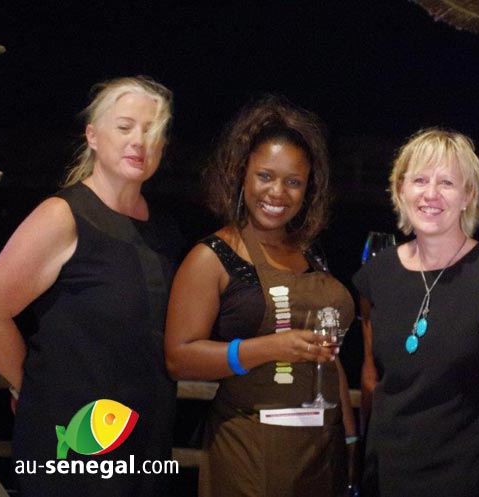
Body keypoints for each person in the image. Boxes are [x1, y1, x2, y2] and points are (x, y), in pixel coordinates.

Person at [0, 76, 178, 495]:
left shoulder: (164, 231)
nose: (139, 141)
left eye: (151, 131)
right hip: (70, 443)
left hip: (143, 439)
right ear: (93, 136)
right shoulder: (62, 216)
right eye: (125, 127)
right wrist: (28, 384)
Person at [164, 94, 356, 497]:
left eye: (293, 182)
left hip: (323, 452)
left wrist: (351, 439)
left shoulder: (311, 254)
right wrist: (271, 347)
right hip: (251, 449)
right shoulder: (211, 258)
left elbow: (330, 358)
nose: (277, 192)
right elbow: (179, 358)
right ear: (241, 175)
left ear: (308, 188)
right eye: (265, 176)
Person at [355, 128, 479, 497]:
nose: (431, 194)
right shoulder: (376, 274)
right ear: (400, 189)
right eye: (419, 180)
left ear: (468, 195)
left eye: (446, 182)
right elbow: (371, 380)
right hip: (388, 478)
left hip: (473, 479)